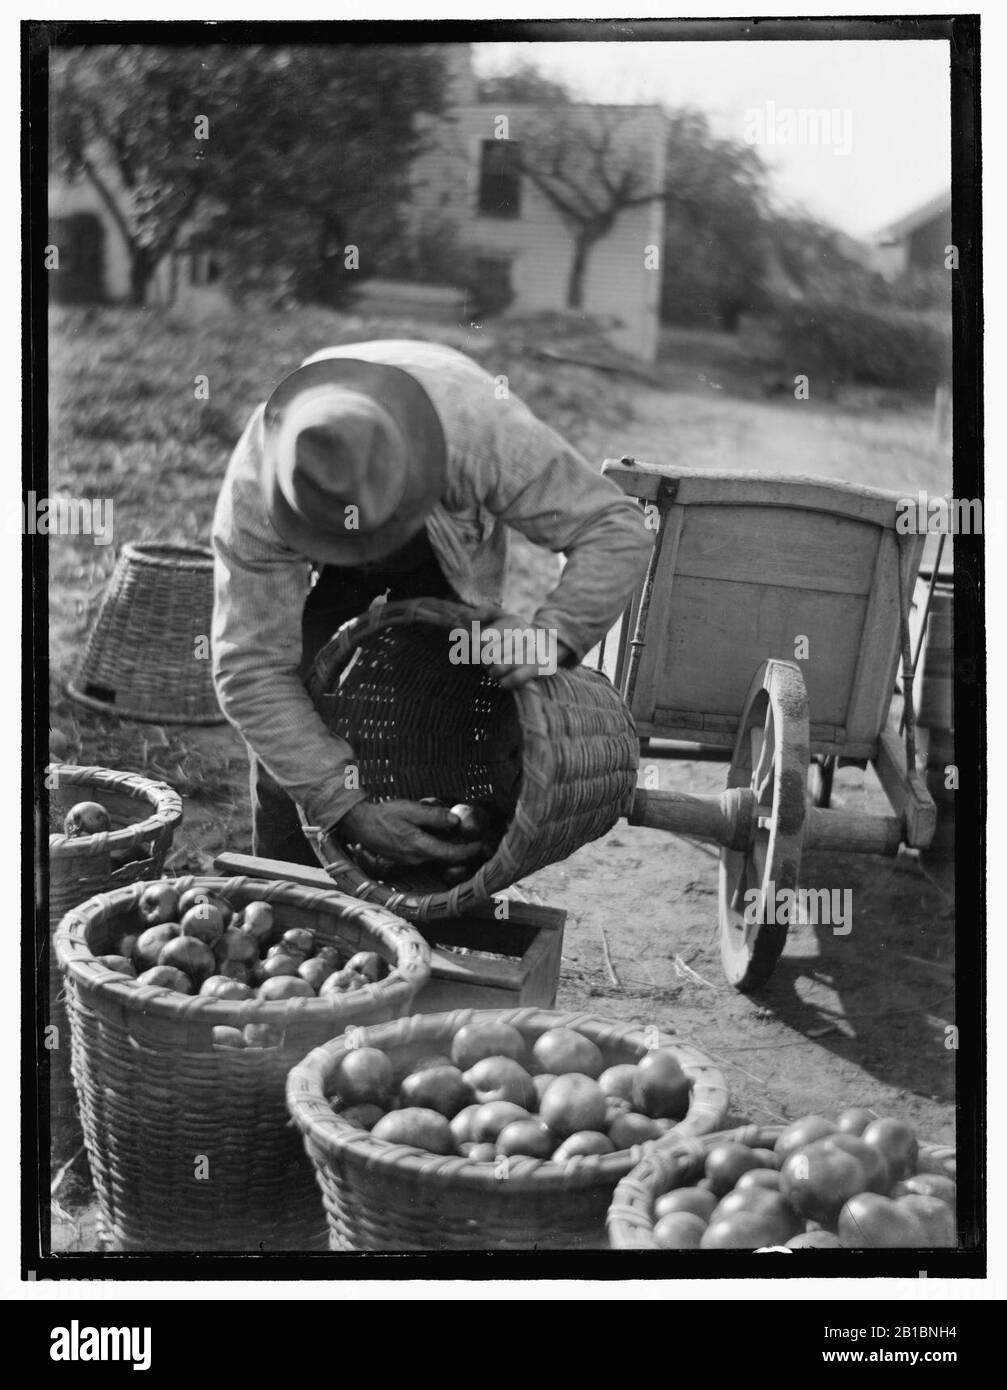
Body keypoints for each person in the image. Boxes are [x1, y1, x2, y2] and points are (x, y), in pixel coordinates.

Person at [211, 338, 652, 869]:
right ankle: (293, 890)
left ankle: (442, 892)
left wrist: (552, 636)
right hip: (320, 556)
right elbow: (250, 666)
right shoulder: (260, 492)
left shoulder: (475, 432)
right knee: (292, 746)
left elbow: (611, 527)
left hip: (442, 540)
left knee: (452, 711)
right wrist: (341, 805)